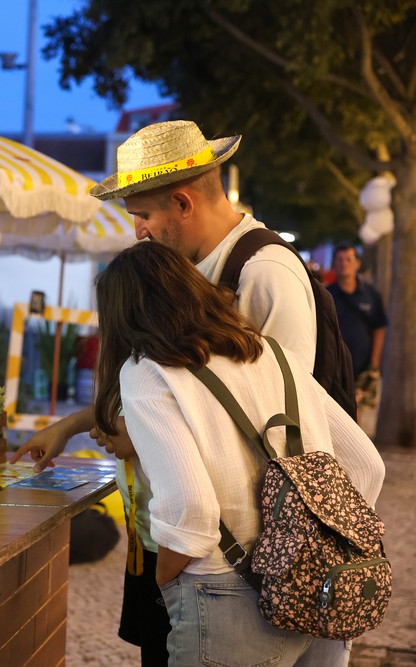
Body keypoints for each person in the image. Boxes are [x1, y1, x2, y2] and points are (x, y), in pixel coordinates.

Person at [12, 119, 320, 665]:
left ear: (182, 202)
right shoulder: (192, 269)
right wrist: (81, 422)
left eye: (143, 215)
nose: (137, 232)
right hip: (188, 544)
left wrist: (140, 437)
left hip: (235, 566)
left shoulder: (264, 273)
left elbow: (284, 420)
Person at [91, 241, 384, 665]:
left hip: (224, 591)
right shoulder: (271, 354)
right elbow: (365, 465)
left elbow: (190, 509)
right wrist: (321, 544)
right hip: (322, 593)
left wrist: (165, 583)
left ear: (122, 316)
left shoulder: (146, 372)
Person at [326, 245, 387, 380]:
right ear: (334, 264)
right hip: (334, 371)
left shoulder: (372, 294)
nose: (344, 264)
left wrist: (374, 364)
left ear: (358, 264)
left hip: (364, 370)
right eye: (340, 260)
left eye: (349, 259)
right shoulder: (325, 295)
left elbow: (379, 328)